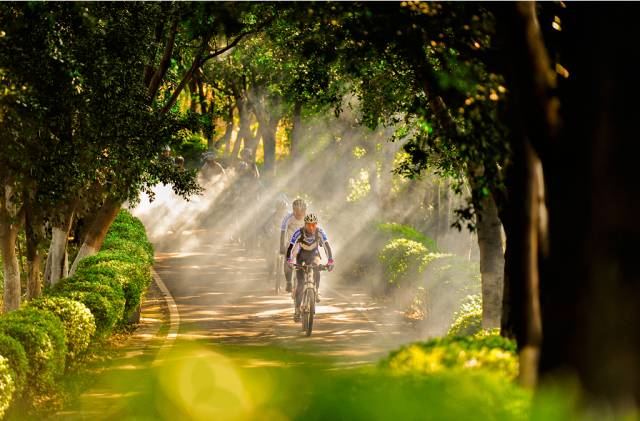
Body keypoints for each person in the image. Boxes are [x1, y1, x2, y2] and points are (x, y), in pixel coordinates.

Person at [286, 213, 334, 321]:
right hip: (301, 256)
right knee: (300, 283)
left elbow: (327, 246)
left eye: (313, 225)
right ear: (305, 224)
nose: (311, 227)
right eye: (309, 225)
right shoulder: (299, 232)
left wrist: (330, 260)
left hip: (314, 255)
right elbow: (290, 246)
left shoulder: (320, 232)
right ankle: (297, 310)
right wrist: (289, 260)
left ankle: (316, 291)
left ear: (316, 224)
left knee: (317, 265)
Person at [280, 198, 307, 293]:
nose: (299, 215)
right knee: (288, 259)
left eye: (301, 212)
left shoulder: (308, 218)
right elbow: (283, 232)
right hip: (291, 242)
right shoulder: (287, 218)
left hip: (304, 242)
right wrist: (282, 246)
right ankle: (288, 281)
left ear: (305, 211)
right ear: (293, 210)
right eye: (296, 212)